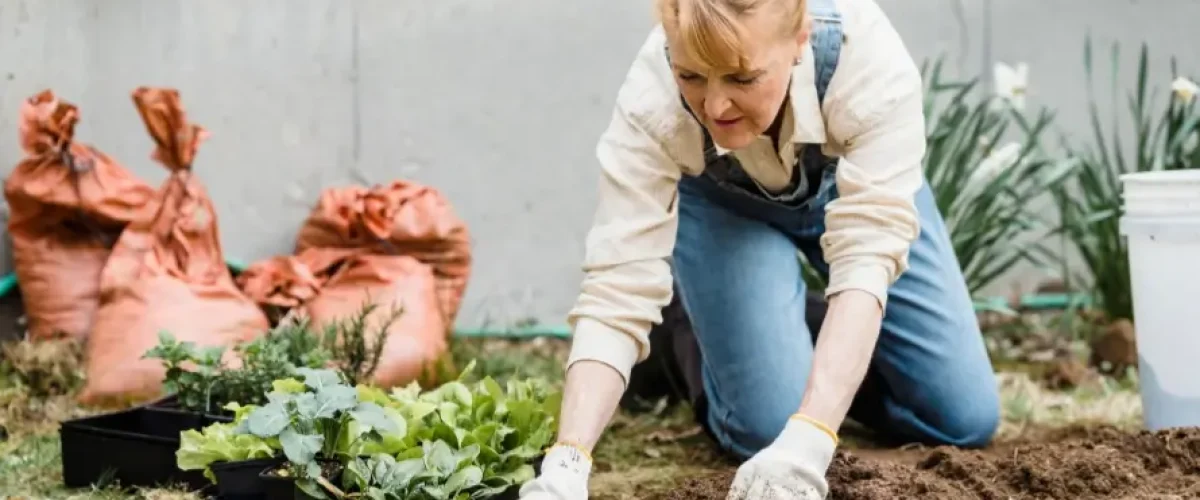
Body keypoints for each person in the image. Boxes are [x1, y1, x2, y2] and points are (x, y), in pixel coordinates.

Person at [520, 0, 1001, 497]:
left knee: (963, 416)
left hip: (854, 191)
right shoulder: (652, 99)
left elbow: (865, 260)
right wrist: (566, 463)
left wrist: (812, 434)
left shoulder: (866, 61)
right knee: (767, 427)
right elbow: (617, 287)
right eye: (691, 76)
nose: (714, 107)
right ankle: (689, 330)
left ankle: (764, 324)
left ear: (799, 40)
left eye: (742, 78)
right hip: (724, 208)